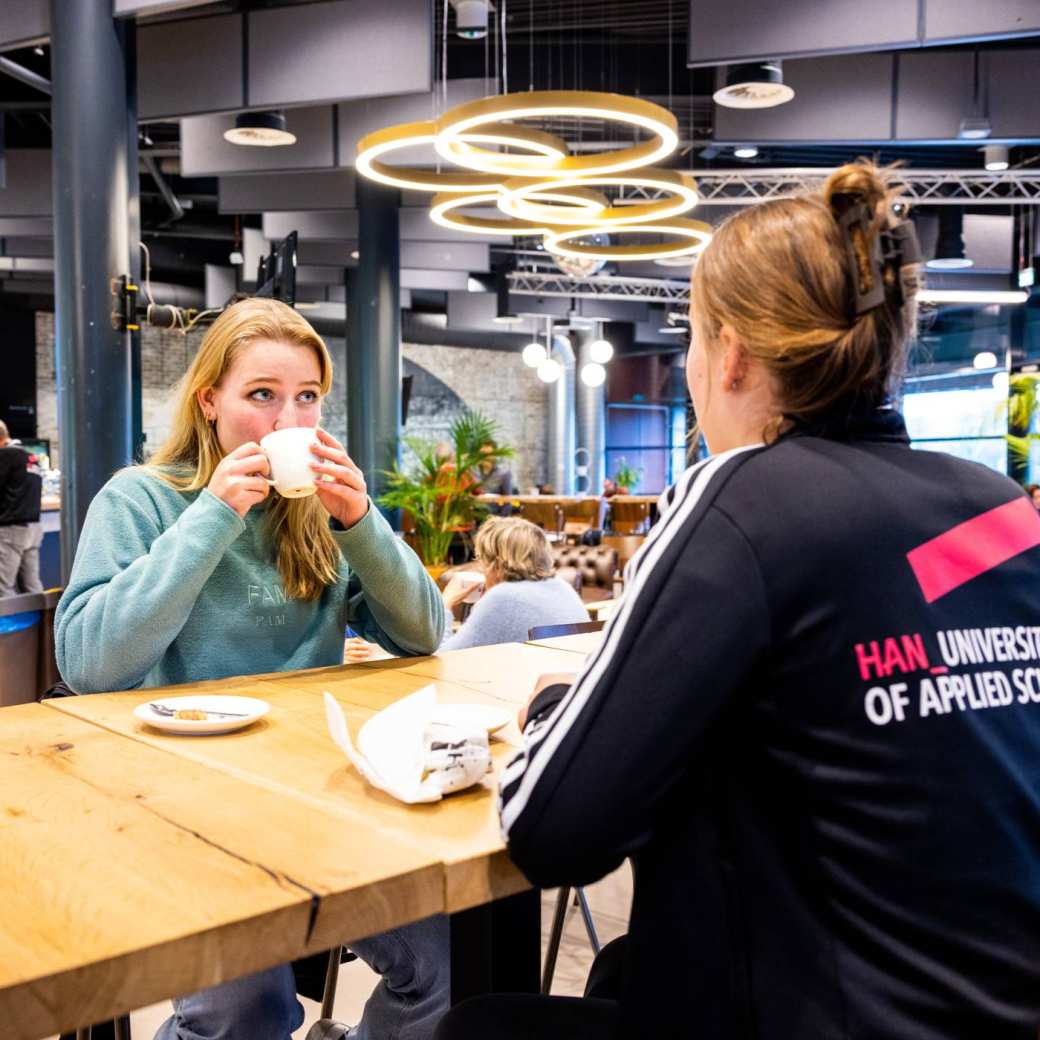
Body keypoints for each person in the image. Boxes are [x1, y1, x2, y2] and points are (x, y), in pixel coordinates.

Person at [436, 161, 1040, 1040]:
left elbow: (552, 831)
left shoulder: (743, 497)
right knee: (619, 969)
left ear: (730, 356)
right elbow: (852, 715)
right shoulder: (996, 510)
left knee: (480, 1029)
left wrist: (548, 729)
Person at [54, 298, 448, 1040]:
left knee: (448, 973)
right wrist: (212, 515)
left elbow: (427, 634)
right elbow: (87, 664)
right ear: (210, 402)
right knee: (245, 1011)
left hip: (316, 795)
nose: (286, 421)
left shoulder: (322, 517)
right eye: (261, 395)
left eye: (306, 398)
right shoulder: (141, 498)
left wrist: (362, 521)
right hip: (181, 805)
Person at [438, 517, 587, 651]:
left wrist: (445, 605)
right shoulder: (562, 586)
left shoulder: (503, 597)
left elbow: (444, 657)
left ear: (495, 563)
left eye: (481, 558)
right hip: (569, 679)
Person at [0, 419, 43, 597]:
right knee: (32, 587)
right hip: (33, 529)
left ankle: (11, 626)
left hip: (11, 530)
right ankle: (44, 625)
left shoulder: (5, 456)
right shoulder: (29, 456)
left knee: (3, 588)